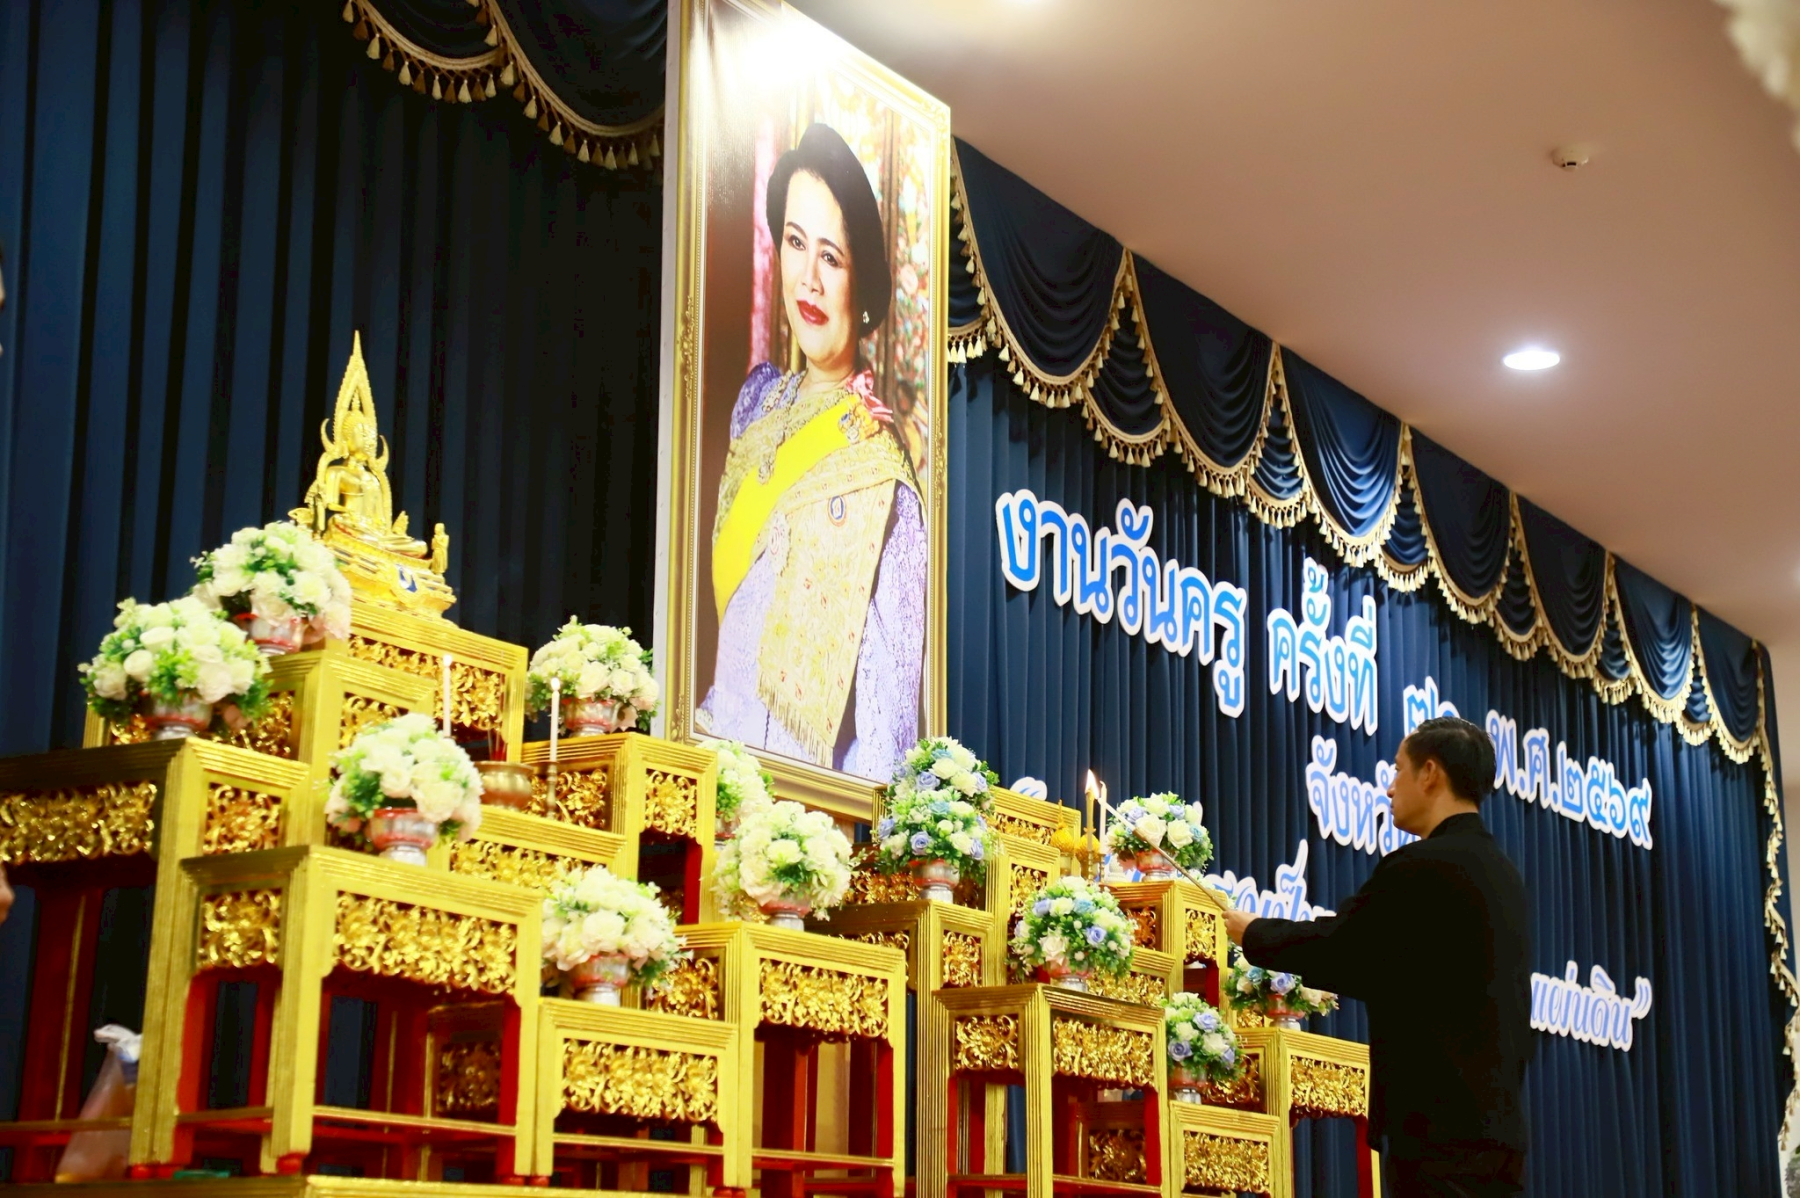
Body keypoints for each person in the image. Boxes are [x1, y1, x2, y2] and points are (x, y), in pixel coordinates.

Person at [699, 122, 926, 781]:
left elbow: (885, 728)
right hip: (711, 762)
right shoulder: (756, 403)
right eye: (796, 243)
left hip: (800, 800)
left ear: (862, 286)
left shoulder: (881, 476)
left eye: (832, 257)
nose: (809, 280)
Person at [1224, 717, 1532, 1197]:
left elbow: (1346, 948)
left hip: (1437, 1133)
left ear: (1430, 773)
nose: (1389, 787)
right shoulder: (1505, 874)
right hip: (1498, 1131)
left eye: (1398, 769)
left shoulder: (1423, 867)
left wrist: (1254, 932)